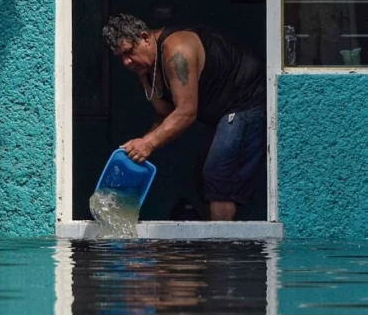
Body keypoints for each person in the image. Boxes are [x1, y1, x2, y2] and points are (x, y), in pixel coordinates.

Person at [101, 13, 266, 221]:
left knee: (218, 174)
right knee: (202, 175)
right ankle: (211, 242)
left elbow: (186, 113)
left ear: (144, 37)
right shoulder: (144, 68)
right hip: (221, 112)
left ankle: (222, 250)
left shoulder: (176, 50)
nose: (126, 62)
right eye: (120, 57)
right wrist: (137, 149)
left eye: (128, 52)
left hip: (247, 99)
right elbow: (164, 114)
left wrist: (148, 143)